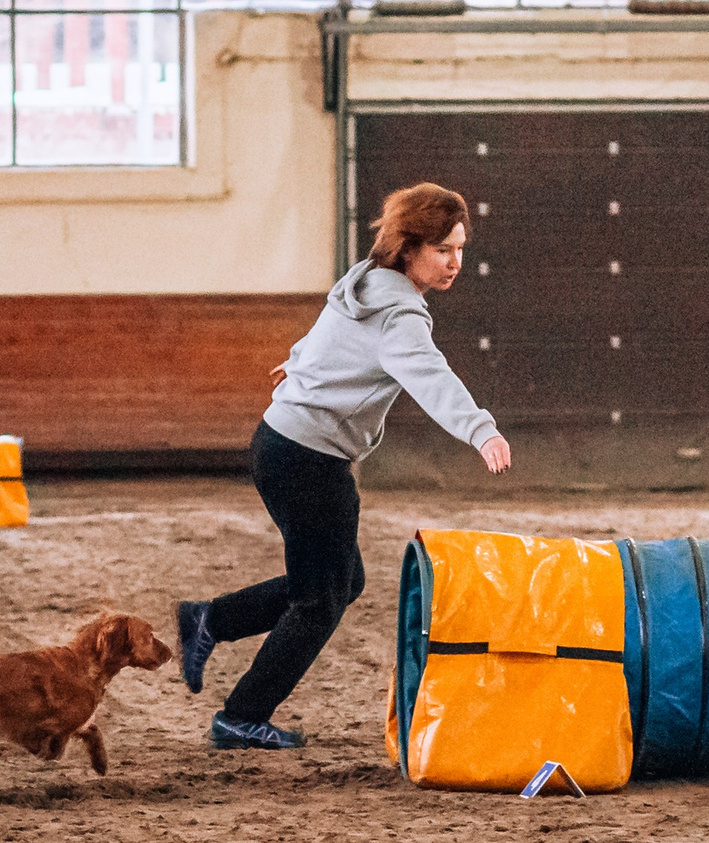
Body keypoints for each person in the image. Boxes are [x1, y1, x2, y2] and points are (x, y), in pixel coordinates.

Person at [177, 181, 510, 750]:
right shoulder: (400, 316)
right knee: (322, 598)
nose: (456, 263)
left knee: (338, 580)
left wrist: (297, 364)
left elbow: (327, 330)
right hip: (310, 459)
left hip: (279, 444)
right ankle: (240, 714)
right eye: (443, 250)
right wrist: (480, 429)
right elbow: (432, 378)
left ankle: (211, 620)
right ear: (409, 248)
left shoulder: (365, 282)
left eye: (460, 249)